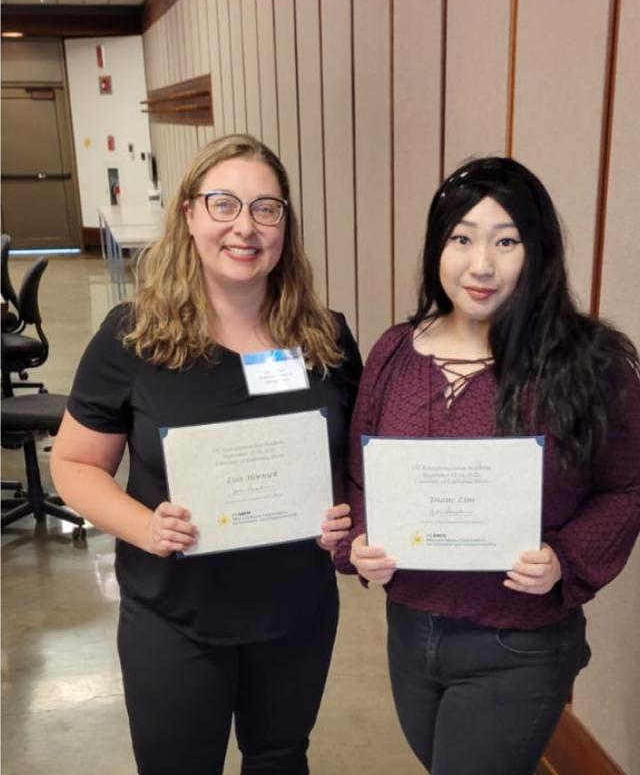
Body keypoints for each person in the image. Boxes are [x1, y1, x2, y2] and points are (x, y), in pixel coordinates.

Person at [51, 134, 362, 775]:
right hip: (175, 612)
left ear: (285, 226)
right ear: (190, 215)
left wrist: (347, 510)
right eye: (224, 204)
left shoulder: (325, 338)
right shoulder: (133, 337)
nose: (244, 227)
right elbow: (75, 465)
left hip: (295, 611)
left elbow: (353, 460)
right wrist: (145, 526)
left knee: (279, 758)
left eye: (265, 209)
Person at [333, 157, 640, 775]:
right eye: (462, 238)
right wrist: (361, 539)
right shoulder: (395, 350)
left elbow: (626, 485)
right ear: (437, 247)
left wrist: (565, 559)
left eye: (506, 241)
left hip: (518, 639)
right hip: (410, 628)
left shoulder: (590, 363)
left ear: (539, 251)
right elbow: (363, 474)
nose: (481, 265)